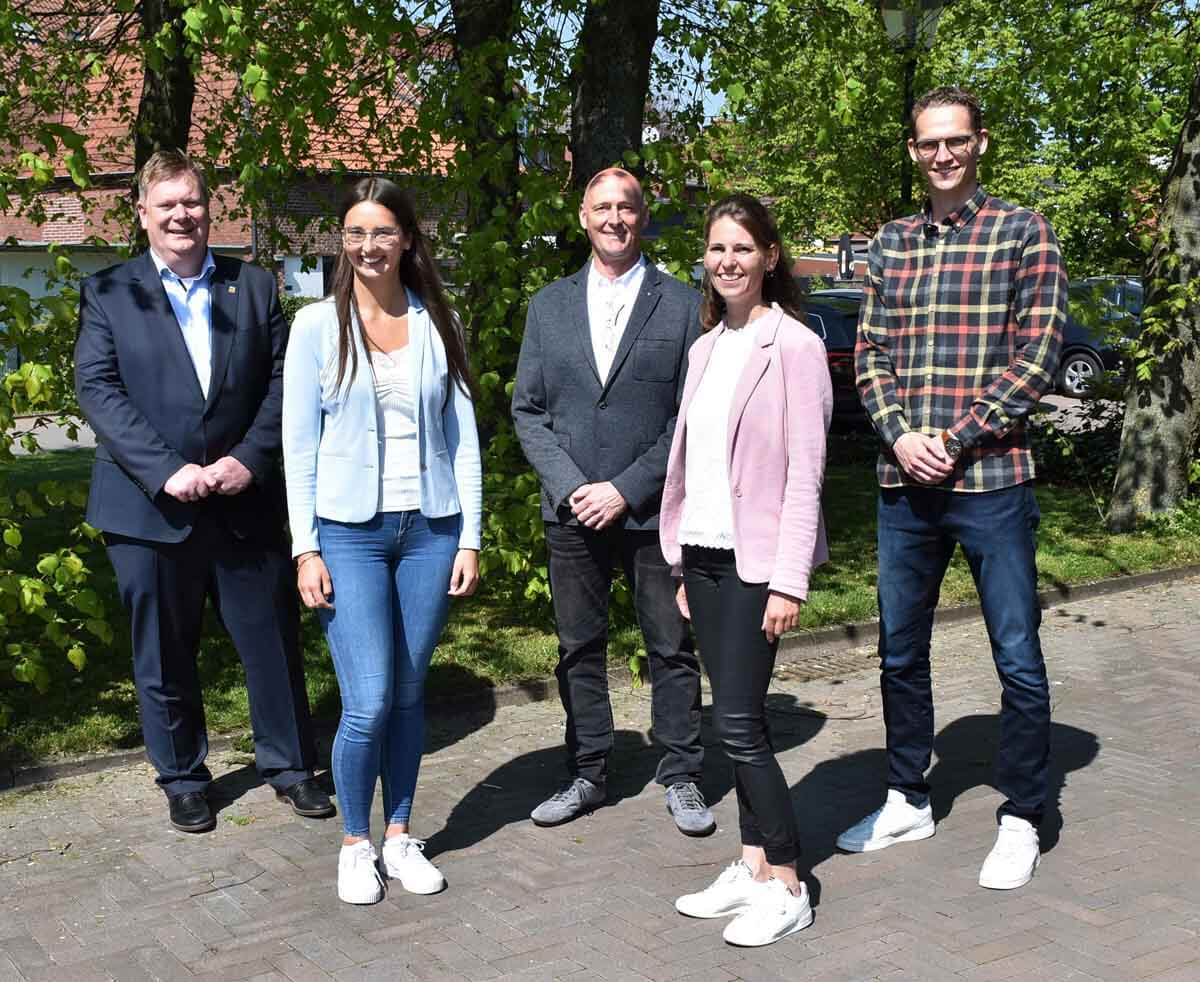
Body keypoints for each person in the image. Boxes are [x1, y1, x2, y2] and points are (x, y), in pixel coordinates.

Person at [841, 86, 1066, 890]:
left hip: (993, 482)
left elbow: (1037, 357)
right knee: (901, 650)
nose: (942, 154)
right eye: (928, 142)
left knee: (1017, 655)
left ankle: (1024, 814)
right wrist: (901, 434)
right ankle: (908, 793)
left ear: (979, 144)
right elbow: (870, 353)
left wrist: (956, 437)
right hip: (905, 485)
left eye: (956, 141)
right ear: (913, 149)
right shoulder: (891, 245)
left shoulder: (1022, 232)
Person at [74, 149, 333, 835]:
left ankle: (290, 767)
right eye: (167, 205)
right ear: (142, 213)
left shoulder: (252, 288)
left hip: (242, 501)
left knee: (272, 643)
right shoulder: (109, 292)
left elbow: (285, 382)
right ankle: (185, 778)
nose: (182, 215)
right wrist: (166, 469)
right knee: (163, 651)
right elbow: (98, 389)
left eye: (191, 201)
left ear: (210, 206)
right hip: (148, 509)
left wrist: (250, 458)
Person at [282, 177, 482, 905]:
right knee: (366, 700)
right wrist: (306, 547)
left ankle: (400, 836)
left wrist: (470, 537)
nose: (369, 245)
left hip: (429, 530)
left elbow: (464, 441)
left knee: (406, 693)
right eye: (357, 232)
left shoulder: (436, 322)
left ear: (407, 240)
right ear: (344, 242)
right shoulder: (313, 326)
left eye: (383, 232)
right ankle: (354, 842)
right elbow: (297, 446)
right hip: (350, 534)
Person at [511, 167, 713, 835]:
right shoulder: (548, 306)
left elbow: (687, 417)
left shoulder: (684, 304)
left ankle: (681, 771)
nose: (615, 218)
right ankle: (588, 771)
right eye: (603, 207)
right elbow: (528, 413)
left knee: (671, 643)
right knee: (578, 646)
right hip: (571, 513)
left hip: (653, 510)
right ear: (582, 215)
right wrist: (574, 487)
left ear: (642, 214)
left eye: (626, 207)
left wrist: (625, 488)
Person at [660, 194, 832, 947]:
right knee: (733, 721)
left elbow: (807, 472)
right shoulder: (703, 349)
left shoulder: (792, 345)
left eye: (741, 248)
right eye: (715, 248)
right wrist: (679, 561)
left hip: (760, 561)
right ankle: (752, 863)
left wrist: (791, 578)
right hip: (702, 556)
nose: (726, 260)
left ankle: (790, 882)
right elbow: (694, 463)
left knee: (738, 723)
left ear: (770, 255)